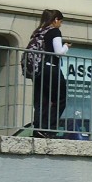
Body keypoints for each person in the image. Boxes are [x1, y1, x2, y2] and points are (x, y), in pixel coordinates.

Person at [31, 9, 69, 137]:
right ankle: (50, 128)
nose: (61, 24)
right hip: (51, 68)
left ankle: (38, 129)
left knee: (42, 100)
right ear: (56, 20)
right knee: (60, 99)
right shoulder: (54, 31)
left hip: (38, 70)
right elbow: (58, 52)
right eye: (61, 21)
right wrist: (66, 47)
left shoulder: (38, 32)